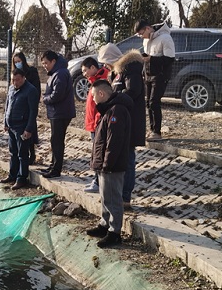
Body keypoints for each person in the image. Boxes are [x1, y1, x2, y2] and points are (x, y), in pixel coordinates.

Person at [99, 43, 146, 210]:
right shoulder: (115, 73)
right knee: (119, 158)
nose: (104, 66)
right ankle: (116, 193)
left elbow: (133, 91)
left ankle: (126, 197)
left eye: (105, 61)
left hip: (130, 121)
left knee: (128, 159)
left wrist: (114, 98)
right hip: (117, 121)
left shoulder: (130, 69)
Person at [86, 80, 132, 248]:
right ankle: (104, 224)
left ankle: (114, 232)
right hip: (104, 165)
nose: (92, 100)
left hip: (111, 166)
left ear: (101, 94)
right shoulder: (109, 110)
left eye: (93, 96)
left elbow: (114, 143)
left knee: (113, 199)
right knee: (105, 197)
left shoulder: (116, 111)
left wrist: (107, 164)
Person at [134, 19, 175, 142]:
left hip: (160, 75)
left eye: (141, 33)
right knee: (148, 103)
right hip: (148, 74)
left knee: (154, 102)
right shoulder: (147, 40)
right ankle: (152, 130)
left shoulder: (165, 38)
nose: (141, 37)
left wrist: (151, 59)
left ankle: (157, 132)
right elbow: (148, 56)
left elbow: (170, 59)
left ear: (147, 28)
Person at [0, 68, 39, 190]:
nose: (15, 83)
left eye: (17, 80)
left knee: (22, 154)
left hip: (22, 127)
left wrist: (29, 129)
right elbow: (7, 105)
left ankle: (21, 178)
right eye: (13, 80)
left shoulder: (31, 90)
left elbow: (33, 112)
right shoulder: (11, 88)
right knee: (13, 152)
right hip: (11, 125)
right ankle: (12, 175)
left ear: (23, 78)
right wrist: (5, 122)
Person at [40, 50, 76, 178]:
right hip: (58, 112)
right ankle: (53, 165)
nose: (44, 66)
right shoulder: (57, 72)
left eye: (46, 63)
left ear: (53, 61)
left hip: (60, 112)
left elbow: (57, 95)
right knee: (55, 140)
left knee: (57, 141)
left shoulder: (60, 73)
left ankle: (56, 169)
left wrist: (45, 99)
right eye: (43, 63)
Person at [81, 57, 108, 193]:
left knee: (98, 154)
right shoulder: (93, 82)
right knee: (96, 154)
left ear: (93, 68)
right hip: (93, 124)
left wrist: (97, 122)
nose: (84, 74)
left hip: (98, 124)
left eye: (85, 70)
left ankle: (98, 182)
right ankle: (96, 180)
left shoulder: (101, 81)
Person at [12, 52, 41, 165]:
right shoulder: (14, 74)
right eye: (16, 62)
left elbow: (36, 88)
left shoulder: (31, 72)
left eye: (19, 61)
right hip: (19, 106)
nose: (18, 64)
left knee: (30, 128)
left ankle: (32, 153)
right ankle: (23, 154)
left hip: (29, 103)